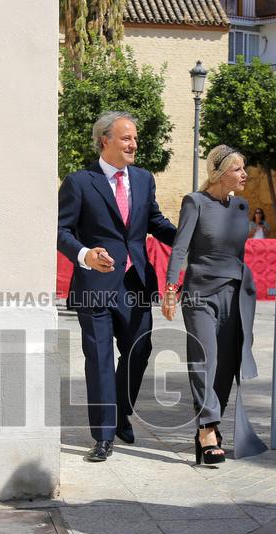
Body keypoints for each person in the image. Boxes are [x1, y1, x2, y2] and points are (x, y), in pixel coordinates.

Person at [57, 111, 177, 462]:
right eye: (126, 138)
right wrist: (84, 254)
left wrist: (191, 235)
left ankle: (121, 410)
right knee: (99, 360)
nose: (133, 144)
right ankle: (104, 436)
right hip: (94, 285)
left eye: (135, 138)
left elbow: (155, 222)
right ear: (104, 140)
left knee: (139, 350)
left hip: (135, 283)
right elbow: (61, 230)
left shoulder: (143, 179)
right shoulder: (80, 182)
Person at [162, 145, 266, 464]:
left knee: (226, 364)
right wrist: (171, 288)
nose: (244, 174)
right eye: (238, 169)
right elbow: (180, 248)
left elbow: (238, 254)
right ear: (220, 174)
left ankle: (210, 425)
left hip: (234, 294)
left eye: (244, 168)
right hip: (200, 294)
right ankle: (207, 428)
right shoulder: (195, 202)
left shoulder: (241, 207)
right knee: (204, 359)